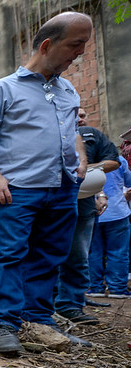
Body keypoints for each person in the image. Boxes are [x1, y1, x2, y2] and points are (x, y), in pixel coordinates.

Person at [0, 12, 92, 355]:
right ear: (47, 45)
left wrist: (81, 157)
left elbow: (72, 132)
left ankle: (38, 320)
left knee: (51, 254)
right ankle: (3, 323)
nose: (80, 52)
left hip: (63, 188)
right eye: (75, 44)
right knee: (8, 254)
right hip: (17, 189)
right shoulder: (3, 89)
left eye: (84, 45)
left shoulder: (68, 90)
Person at [54, 112, 119, 325]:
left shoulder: (94, 136)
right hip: (50, 198)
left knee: (79, 253)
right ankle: (44, 302)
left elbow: (112, 161)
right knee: (49, 250)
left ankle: (70, 304)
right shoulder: (50, 130)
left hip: (83, 200)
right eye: (76, 114)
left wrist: (97, 189)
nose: (80, 118)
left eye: (83, 115)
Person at [88, 154, 131, 298]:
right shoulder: (119, 160)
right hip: (117, 212)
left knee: (93, 252)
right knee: (118, 251)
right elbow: (129, 181)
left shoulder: (83, 160)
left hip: (92, 212)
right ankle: (117, 289)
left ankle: (95, 287)